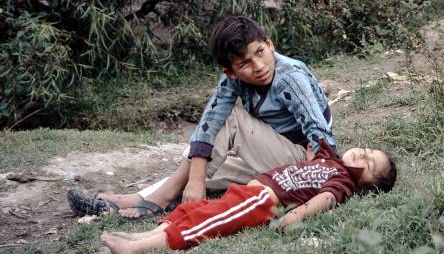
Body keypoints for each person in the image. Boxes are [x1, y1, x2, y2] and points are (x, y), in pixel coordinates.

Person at [68, 16, 336, 219]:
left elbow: (319, 132)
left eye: (260, 52)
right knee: (200, 167)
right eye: (244, 63)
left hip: (304, 162)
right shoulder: (232, 80)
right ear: (231, 71)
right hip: (275, 159)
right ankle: (132, 200)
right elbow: (211, 116)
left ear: (269, 44)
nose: (259, 66)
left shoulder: (289, 78)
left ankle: (163, 197)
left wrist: (314, 185)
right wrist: (196, 178)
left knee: (230, 118)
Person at [99, 141, 397, 253]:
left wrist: (296, 215)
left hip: (262, 201)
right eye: (368, 151)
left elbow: (325, 199)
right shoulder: (332, 160)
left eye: (369, 164)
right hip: (250, 190)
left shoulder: (343, 182)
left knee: (206, 222)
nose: (363, 155)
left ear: (366, 186)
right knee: (199, 209)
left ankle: (140, 248)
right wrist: (311, 154)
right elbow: (313, 160)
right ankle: (143, 236)